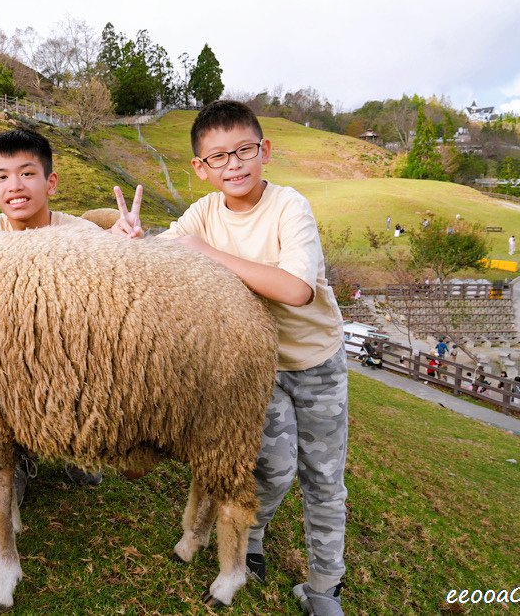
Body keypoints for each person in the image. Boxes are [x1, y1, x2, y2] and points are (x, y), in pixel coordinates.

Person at [112, 100, 348, 615]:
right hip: (249, 369)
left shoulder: (290, 206)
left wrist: (208, 253)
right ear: (200, 168)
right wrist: (133, 240)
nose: (234, 165)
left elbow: (296, 288)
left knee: (323, 477)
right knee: (270, 467)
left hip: (313, 363)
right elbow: (163, 252)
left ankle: (326, 588)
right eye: (218, 157)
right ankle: (252, 535)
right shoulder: (202, 213)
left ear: (264, 150)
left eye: (244, 150)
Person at [0, 128, 111, 497]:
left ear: (50, 183)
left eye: (27, 173)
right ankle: (13, 456)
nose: (14, 185)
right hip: (5, 352)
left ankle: (79, 447)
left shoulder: (84, 235)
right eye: (2, 177)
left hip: (70, 346)